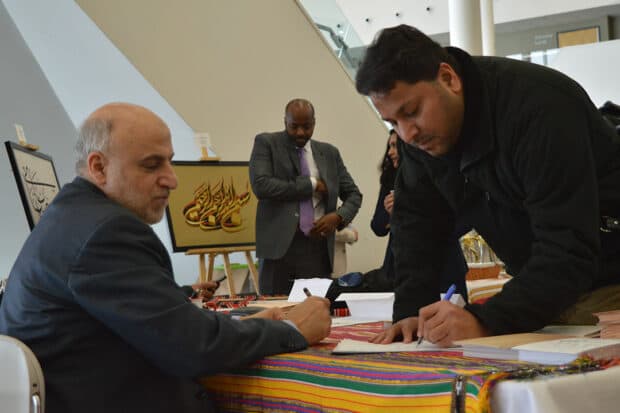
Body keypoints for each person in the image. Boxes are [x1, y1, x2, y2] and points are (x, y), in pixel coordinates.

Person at [0, 102, 332, 413]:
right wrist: (294, 328)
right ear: (98, 167)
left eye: (169, 161)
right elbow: (194, 349)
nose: (172, 180)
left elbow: (158, 324)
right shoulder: (106, 232)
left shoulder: (71, 217)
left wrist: (228, 325)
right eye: (151, 165)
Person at [355, 25, 620, 347]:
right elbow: (416, 224)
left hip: (606, 277)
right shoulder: (423, 137)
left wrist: (485, 320)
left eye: (411, 112)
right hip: (543, 282)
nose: (407, 134)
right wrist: (411, 312)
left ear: (449, 78)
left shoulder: (539, 108)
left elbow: (568, 245)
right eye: (393, 122)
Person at [250, 98, 362, 295]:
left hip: (317, 247)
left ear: (314, 123)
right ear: (285, 121)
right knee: (275, 315)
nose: (300, 132)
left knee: (316, 312)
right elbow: (261, 185)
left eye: (307, 127)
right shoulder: (266, 143)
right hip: (279, 250)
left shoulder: (329, 153)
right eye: (294, 126)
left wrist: (338, 217)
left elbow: (353, 194)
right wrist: (310, 184)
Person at [370, 129, 468, 297]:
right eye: (389, 147)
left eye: (394, 146)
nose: (390, 152)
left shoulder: (438, 171)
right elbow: (378, 227)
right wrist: (393, 213)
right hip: (400, 267)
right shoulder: (389, 180)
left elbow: (463, 219)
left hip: (445, 263)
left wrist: (414, 214)